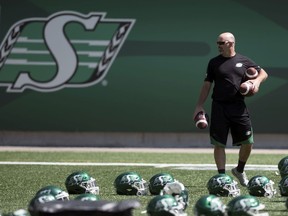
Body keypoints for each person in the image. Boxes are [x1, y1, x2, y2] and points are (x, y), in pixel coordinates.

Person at [193, 32, 268, 186]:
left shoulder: (244, 61)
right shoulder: (214, 62)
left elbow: (263, 73)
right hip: (219, 106)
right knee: (219, 144)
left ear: (230, 43)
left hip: (238, 107)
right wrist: (199, 105)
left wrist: (256, 83)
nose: (218, 46)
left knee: (248, 142)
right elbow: (207, 85)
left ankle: (239, 170)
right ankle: (222, 177)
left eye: (221, 43)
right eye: (217, 43)